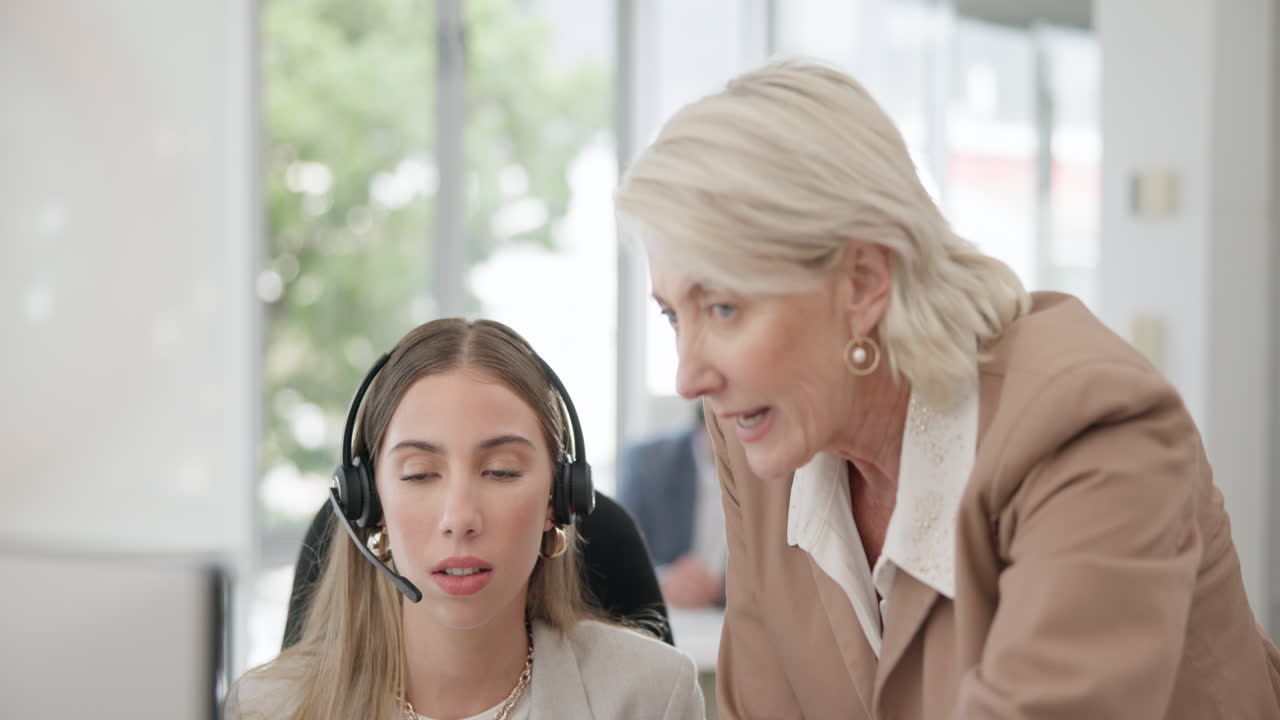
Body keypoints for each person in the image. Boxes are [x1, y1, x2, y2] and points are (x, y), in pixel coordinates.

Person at [613, 58, 1280, 719]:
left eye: (723, 308)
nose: (689, 376)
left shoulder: (1087, 424)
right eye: (674, 315)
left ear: (864, 282)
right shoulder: (764, 435)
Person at [226, 319, 703, 720]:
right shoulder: (268, 709)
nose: (459, 518)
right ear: (370, 504)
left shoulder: (652, 697)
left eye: (500, 471)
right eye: (419, 474)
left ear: (558, 498)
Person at [619, 405, 726, 608]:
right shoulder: (649, 462)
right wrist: (663, 579)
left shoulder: (773, 474)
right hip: (667, 612)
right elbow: (615, 557)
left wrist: (724, 588)